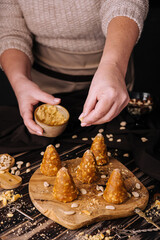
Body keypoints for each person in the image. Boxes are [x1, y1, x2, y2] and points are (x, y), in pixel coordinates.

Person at [0, 0, 149, 136]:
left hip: (111, 63)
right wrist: (19, 80)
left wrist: (114, 66)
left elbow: (124, 4)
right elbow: (10, 30)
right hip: (41, 81)